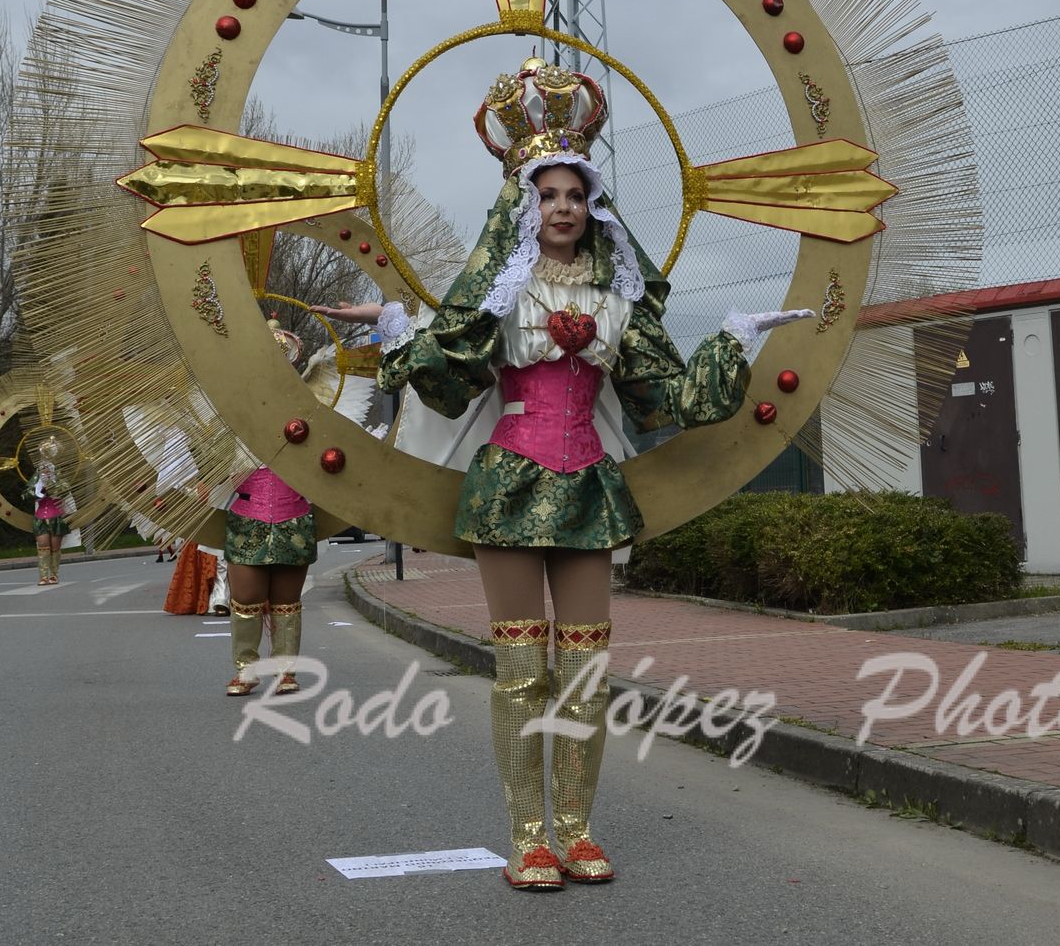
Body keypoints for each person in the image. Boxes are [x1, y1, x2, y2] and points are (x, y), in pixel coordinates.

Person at [317, 58, 808, 890]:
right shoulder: (499, 297)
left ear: (594, 206)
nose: (564, 209)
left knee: (584, 672)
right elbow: (447, 375)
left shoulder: (619, 305)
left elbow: (676, 397)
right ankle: (529, 838)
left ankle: (578, 830)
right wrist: (401, 325)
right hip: (509, 485)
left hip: (587, 488)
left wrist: (735, 333)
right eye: (548, 195)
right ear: (525, 204)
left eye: (576, 195)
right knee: (520, 670)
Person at [221, 320, 324, 697]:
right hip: (247, 517)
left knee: (286, 601)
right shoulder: (233, 408)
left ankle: (285, 670)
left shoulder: (311, 409)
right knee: (246, 599)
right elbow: (213, 455)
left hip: (294, 515)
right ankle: (247, 668)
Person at [28, 437, 69, 585]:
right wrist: (37, 492)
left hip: (55, 516)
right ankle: (43, 576)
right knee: (43, 546)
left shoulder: (59, 479)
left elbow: (65, 490)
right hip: (40, 517)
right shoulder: (36, 481)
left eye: (47, 468)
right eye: (42, 468)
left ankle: (54, 574)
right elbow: (27, 494)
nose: (44, 470)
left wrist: (51, 486)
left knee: (55, 548)